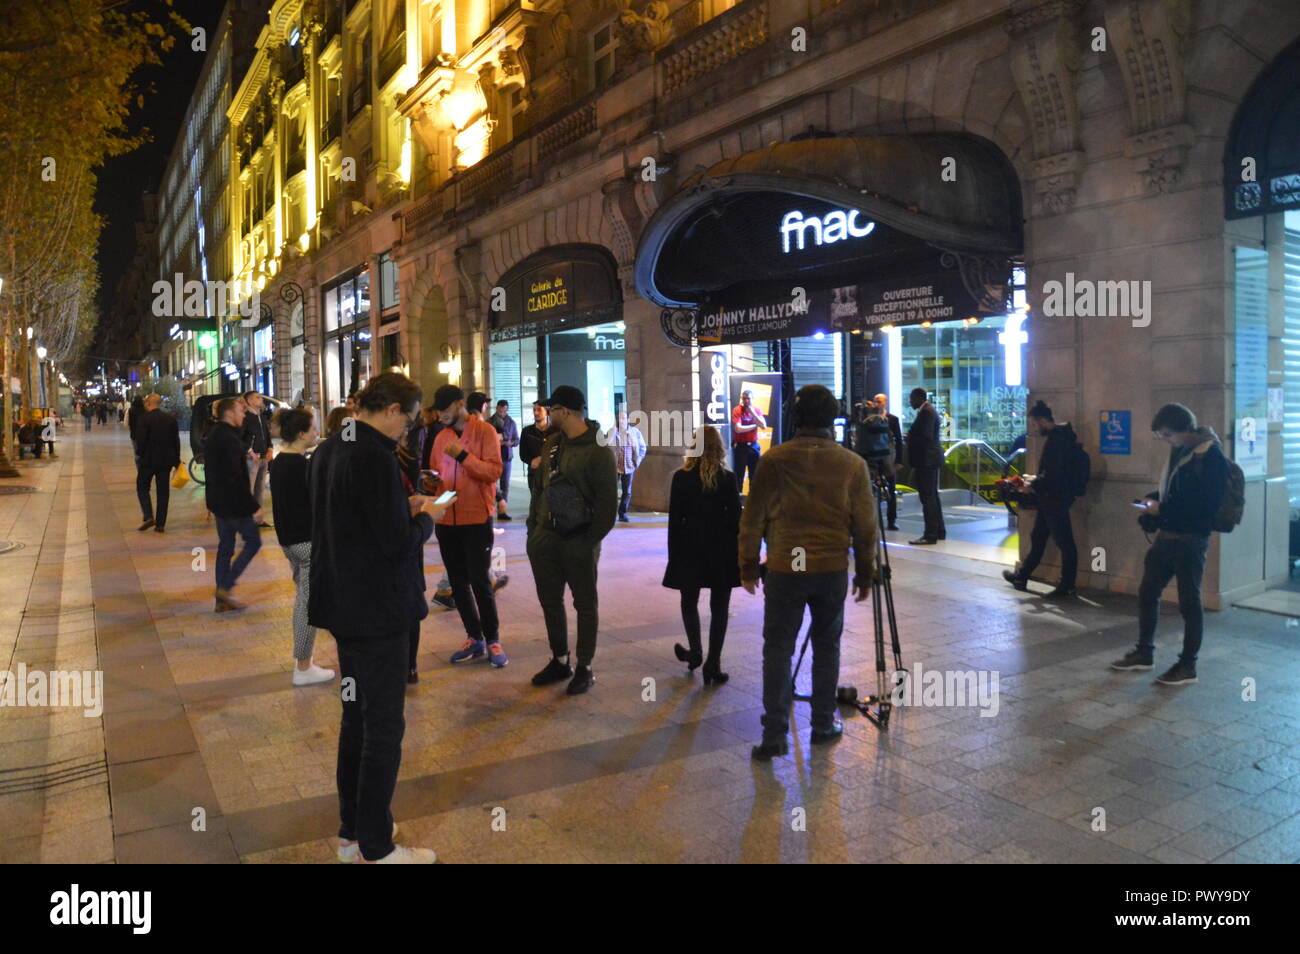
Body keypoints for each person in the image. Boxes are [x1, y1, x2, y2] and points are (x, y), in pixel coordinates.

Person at [308, 371, 448, 864]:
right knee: (384, 729)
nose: (407, 432)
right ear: (390, 410)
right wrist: (427, 516)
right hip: (378, 613)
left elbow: (344, 518)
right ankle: (376, 846)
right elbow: (395, 544)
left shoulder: (330, 446)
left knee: (356, 719)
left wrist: (400, 506)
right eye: (408, 422)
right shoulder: (374, 456)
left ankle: (354, 832)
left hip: (343, 607)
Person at [739, 384, 878, 761]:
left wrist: (749, 567)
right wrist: (865, 575)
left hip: (786, 567)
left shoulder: (774, 461)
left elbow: (751, 520)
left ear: (796, 418)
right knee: (827, 647)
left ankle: (774, 735)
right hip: (829, 568)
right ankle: (821, 724)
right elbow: (866, 527)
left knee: (778, 649)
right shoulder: (852, 465)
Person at [1110, 403, 1229, 687]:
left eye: (1167, 434)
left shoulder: (1211, 457)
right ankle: (1144, 652)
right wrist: (1152, 500)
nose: (1165, 440)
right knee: (1148, 591)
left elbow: (1204, 509)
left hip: (1190, 540)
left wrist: (1160, 510)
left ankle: (1188, 665)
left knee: (1189, 602)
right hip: (1167, 536)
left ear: (1185, 430)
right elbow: (1172, 492)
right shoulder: (1180, 452)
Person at [527, 385, 618, 695]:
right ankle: (560, 659)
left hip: (578, 541)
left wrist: (588, 542)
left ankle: (584, 666)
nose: (547, 414)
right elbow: (539, 491)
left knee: (585, 605)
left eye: (552, 409)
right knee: (550, 602)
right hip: (545, 539)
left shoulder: (599, 450)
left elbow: (608, 507)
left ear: (564, 411)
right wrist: (533, 532)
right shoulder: (551, 444)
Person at [431, 385, 508, 669]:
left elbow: (493, 472)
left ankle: (493, 639)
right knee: (458, 584)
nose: (441, 416)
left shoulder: (485, 432)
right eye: (438, 412)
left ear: (460, 405)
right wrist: (431, 482)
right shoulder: (440, 438)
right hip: (447, 519)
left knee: (479, 581)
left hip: (476, 518)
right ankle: (473, 636)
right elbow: (437, 474)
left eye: (445, 410)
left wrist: (463, 457)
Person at [663, 425, 740, 685]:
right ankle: (713, 664)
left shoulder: (681, 478)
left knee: (689, 602)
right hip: (721, 550)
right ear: (719, 448)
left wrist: (673, 556)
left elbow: (675, 521)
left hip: (689, 548)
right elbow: (736, 521)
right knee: (720, 608)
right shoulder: (728, 478)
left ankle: (695, 652)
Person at [269, 408, 334, 687]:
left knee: (309, 596)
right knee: (308, 603)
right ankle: (303, 666)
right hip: (306, 542)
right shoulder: (300, 466)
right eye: (313, 429)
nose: (317, 433)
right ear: (300, 433)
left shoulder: (282, 461)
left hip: (289, 540)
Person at [1002, 400, 1080, 598]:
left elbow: (1053, 474)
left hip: (1055, 499)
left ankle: (1067, 585)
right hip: (1049, 498)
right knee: (1038, 538)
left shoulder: (1058, 440)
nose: (1034, 429)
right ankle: (1022, 575)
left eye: (1034, 424)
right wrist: (1035, 480)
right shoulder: (1059, 437)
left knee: (1065, 542)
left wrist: (1032, 484)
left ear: (1043, 421)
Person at [204, 397, 263, 611]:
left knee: (226, 547)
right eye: (240, 411)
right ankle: (225, 587)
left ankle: (222, 600)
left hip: (219, 502)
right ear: (229, 414)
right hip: (234, 504)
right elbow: (235, 477)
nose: (244, 415)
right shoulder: (227, 439)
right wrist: (253, 506)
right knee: (253, 541)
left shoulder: (215, 435)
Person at [134, 394, 180, 534]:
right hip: (165, 462)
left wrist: (139, 455)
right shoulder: (170, 419)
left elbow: (140, 440)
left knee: (142, 487)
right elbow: (175, 441)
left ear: (148, 403)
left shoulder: (143, 419)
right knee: (163, 492)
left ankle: (148, 515)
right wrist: (176, 461)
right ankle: (160, 524)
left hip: (147, 461)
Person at [905, 387, 946, 545]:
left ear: (918, 398)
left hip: (927, 460)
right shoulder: (928, 410)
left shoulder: (926, 412)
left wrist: (910, 438)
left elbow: (926, 437)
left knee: (928, 497)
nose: (910, 402)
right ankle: (939, 530)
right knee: (933, 496)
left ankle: (930, 534)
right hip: (930, 460)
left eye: (911, 398)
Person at [860, 393, 904, 532]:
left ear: (885, 403)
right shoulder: (867, 420)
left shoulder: (892, 419)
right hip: (872, 459)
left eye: (879, 401)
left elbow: (898, 440)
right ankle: (873, 520)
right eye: (875, 401)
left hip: (888, 458)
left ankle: (892, 520)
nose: (876, 403)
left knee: (890, 488)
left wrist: (899, 460)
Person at [605, 407, 647, 523]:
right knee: (611, 491)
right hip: (614, 467)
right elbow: (606, 448)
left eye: (623, 418)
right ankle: (609, 514)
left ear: (628, 419)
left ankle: (622, 513)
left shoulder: (635, 432)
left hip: (629, 466)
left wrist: (637, 462)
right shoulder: (612, 431)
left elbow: (643, 448)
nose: (621, 420)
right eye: (619, 418)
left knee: (627, 491)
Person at [241, 391, 272, 525]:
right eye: (257, 397)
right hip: (251, 459)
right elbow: (240, 437)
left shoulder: (261, 416)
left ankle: (257, 520)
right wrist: (249, 451)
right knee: (249, 489)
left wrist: (270, 447)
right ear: (249, 400)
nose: (260, 399)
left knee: (260, 489)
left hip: (264, 457)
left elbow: (267, 434)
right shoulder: (245, 417)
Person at [488, 400, 519, 521]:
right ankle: (490, 510)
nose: (502, 413)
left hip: (507, 457)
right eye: (500, 411)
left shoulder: (511, 422)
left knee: (505, 485)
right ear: (497, 409)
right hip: (493, 457)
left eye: (505, 411)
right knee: (492, 485)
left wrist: (511, 443)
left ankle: (502, 511)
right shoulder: (489, 422)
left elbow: (517, 439)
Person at [731, 389, 766, 495]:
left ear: (752, 399)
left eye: (748, 398)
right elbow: (738, 429)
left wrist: (753, 414)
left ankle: (754, 500)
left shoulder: (757, 410)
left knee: (754, 475)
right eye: (744, 398)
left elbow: (763, 426)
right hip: (741, 447)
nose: (746, 401)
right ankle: (738, 500)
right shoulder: (737, 410)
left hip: (754, 446)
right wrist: (755, 425)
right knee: (739, 476)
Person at [519, 402, 550, 496]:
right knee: (536, 503)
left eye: (539, 410)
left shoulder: (556, 431)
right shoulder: (527, 431)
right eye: (534, 410)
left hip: (551, 474)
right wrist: (531, 461)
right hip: (534, 474)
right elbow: (523, 454)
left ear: (547, 412)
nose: (536, 413)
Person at [127, 395, 145, 461]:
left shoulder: (131, 410)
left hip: (134, 434)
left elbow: (128, 423)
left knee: (136, 451)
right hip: (144, 434)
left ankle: (139, 465)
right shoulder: (145, 410)